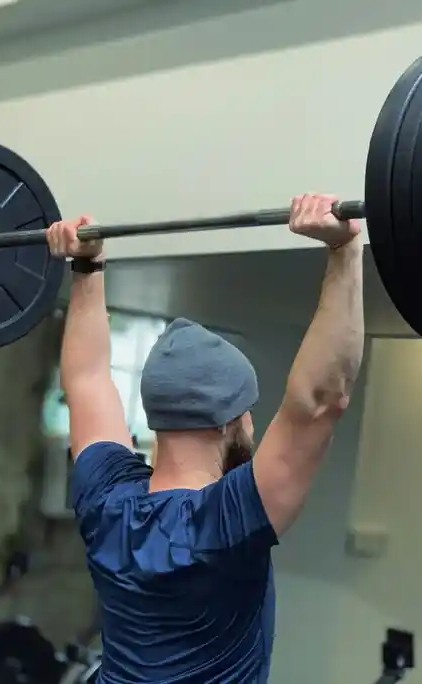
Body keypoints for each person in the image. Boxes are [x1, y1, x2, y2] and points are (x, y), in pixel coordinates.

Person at [47, 193, 364, 684]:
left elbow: (87, 378)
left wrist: (87, 267)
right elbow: (321, 399)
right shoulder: (226, 526)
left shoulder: (107, 503)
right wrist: (346, 250)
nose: (254, 425)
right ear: (225, 421)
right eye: (248, 413)